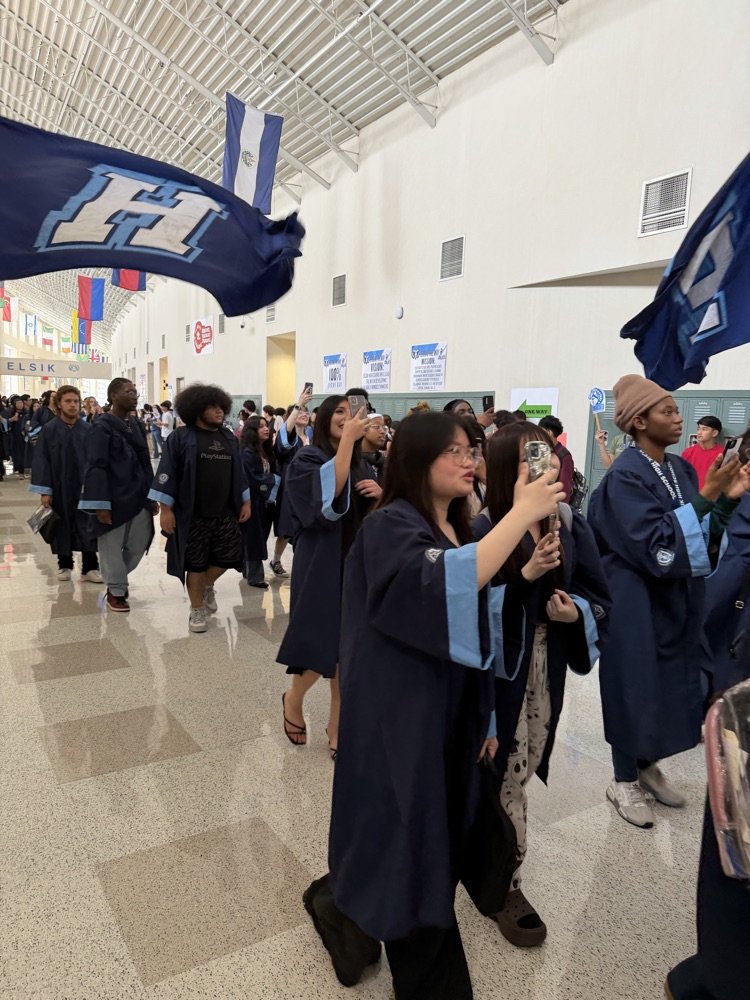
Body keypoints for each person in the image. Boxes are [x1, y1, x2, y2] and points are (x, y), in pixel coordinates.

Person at [304, 411, 564, 1000]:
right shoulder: (389, 526)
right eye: (453, 450)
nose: (469, 458)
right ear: (417, 461)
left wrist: (488, 717)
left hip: (449, 720)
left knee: (412, 844)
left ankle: (339, 903)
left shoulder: (463, 530)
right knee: (411, 858)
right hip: (398, 725)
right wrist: (520, 513)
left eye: (472, 448)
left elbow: (479, 626)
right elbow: (435, 588)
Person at [587, 374, 747, 828]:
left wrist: (727, 501)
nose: (680, 419)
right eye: (668, 412)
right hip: (635, 595)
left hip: (674, 592)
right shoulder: (624, 475)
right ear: (639, 421)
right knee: (632, 683)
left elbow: (703, 533)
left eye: (677, 410)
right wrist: (711, 493)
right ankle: (621, 780)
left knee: (671, 680)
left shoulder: (680, 469)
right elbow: (653, 543)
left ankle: (645, 764)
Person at [474, 421, 609, 946]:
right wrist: (523, 578)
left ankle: (486, 852)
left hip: (545, 664)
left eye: (551, 459)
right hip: (498, 671)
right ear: (511, 470)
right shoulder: (485, 526)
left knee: (522, 764)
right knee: (504, 763)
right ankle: (507, 880)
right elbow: (464, 607)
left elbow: (601, 596)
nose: (549, 469)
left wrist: (575, 614)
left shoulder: (570, 524)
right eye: (535, 462)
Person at [276, 395, 371, 758]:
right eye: (340, 412)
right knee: (322, 644)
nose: (347, 418)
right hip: (322, 563)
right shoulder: (307, 459)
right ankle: (294, 697)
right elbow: (325, 505)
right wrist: (348, 441)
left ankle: (337, 726)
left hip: (357, 564)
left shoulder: (362, 463)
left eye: (352, 412)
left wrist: (378, 493)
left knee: (348, 653)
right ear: (324, 418)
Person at [148, 384, 250, 633]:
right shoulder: (180, 438)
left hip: (225, 511)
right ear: (196, 409)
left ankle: (205, 585)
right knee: (194, 563)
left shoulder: (227, 437)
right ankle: (196, 610)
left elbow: (239, 472)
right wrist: (166, 510)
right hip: (191, 514)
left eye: (221, 407)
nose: (219, 411)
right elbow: (166, 474)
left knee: (231, 555)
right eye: (212, 407)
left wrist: (245, 500)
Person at [79, 378, 158, 612]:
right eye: (128, 391)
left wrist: (151, 494)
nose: (134, 395)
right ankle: (116, 589)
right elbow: (96, 465)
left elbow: (145, 461)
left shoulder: (135, 424)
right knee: (111, 546)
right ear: (114, 396)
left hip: (138, 495)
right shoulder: (101, 426)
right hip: (112, 497)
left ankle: (116, 577)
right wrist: (101, 504)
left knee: (140, 541)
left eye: (135, 391)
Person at [28, 385, 102, 583]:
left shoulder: (88, 429)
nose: (72, 405)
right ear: (59, 404)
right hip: (59, 487)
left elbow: (96, 460)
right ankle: (65, 564)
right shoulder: (50, 430)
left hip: (84, 489)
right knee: (62, 525)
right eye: (68, 401)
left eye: (76, 401)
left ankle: (90, 566)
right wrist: (45, 490)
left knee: (87, 525)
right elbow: (42, 460)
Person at [269, 387, 314, 578]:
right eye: (300, 412)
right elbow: (283, 439)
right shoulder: (290, 437)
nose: (304, 414)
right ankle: (276, 560)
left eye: (306, 412)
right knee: (286, 528)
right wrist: (299, 403)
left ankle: (303, 564)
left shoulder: (311, 438)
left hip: (310, 489)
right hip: (290, 488)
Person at [240, 416, 280, 589]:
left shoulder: (265, 451)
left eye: (267, 426)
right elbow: (253, 479)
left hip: (265, 503)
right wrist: (276, 480)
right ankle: (255, 576)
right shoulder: (247, 453)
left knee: (260, 537)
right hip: (253, 502)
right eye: (261, 427)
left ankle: (246, 569)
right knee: (254, 539)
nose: (266, 429)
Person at [538, 415, 575, 504]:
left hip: (555, 504)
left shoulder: (564, 455)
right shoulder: (542, 451)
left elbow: (565, 486)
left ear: (549, 432)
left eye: (541, 431)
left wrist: (560, 509)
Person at [681, 415, 724, 489]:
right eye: (698, 429)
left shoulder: (722, 454)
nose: (699, 433)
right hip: (691, 496)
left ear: (714, 433)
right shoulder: (688, 452)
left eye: (704, 429)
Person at [6, 396, 29, 478]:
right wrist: (12, 419)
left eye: (21, 403)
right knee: (16, 454)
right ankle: (19, 470)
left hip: (24, 436)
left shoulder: (27, 413)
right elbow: (7, 424)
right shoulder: (11, 413)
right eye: (18, 403)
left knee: (24, 453)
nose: (20, 405)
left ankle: (23, 470)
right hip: (14, 436)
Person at [360, 413, 387, 483]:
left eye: (384, 428)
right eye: (377, 427)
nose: (382, 431)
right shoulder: (352, 462)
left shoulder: (385, 463)